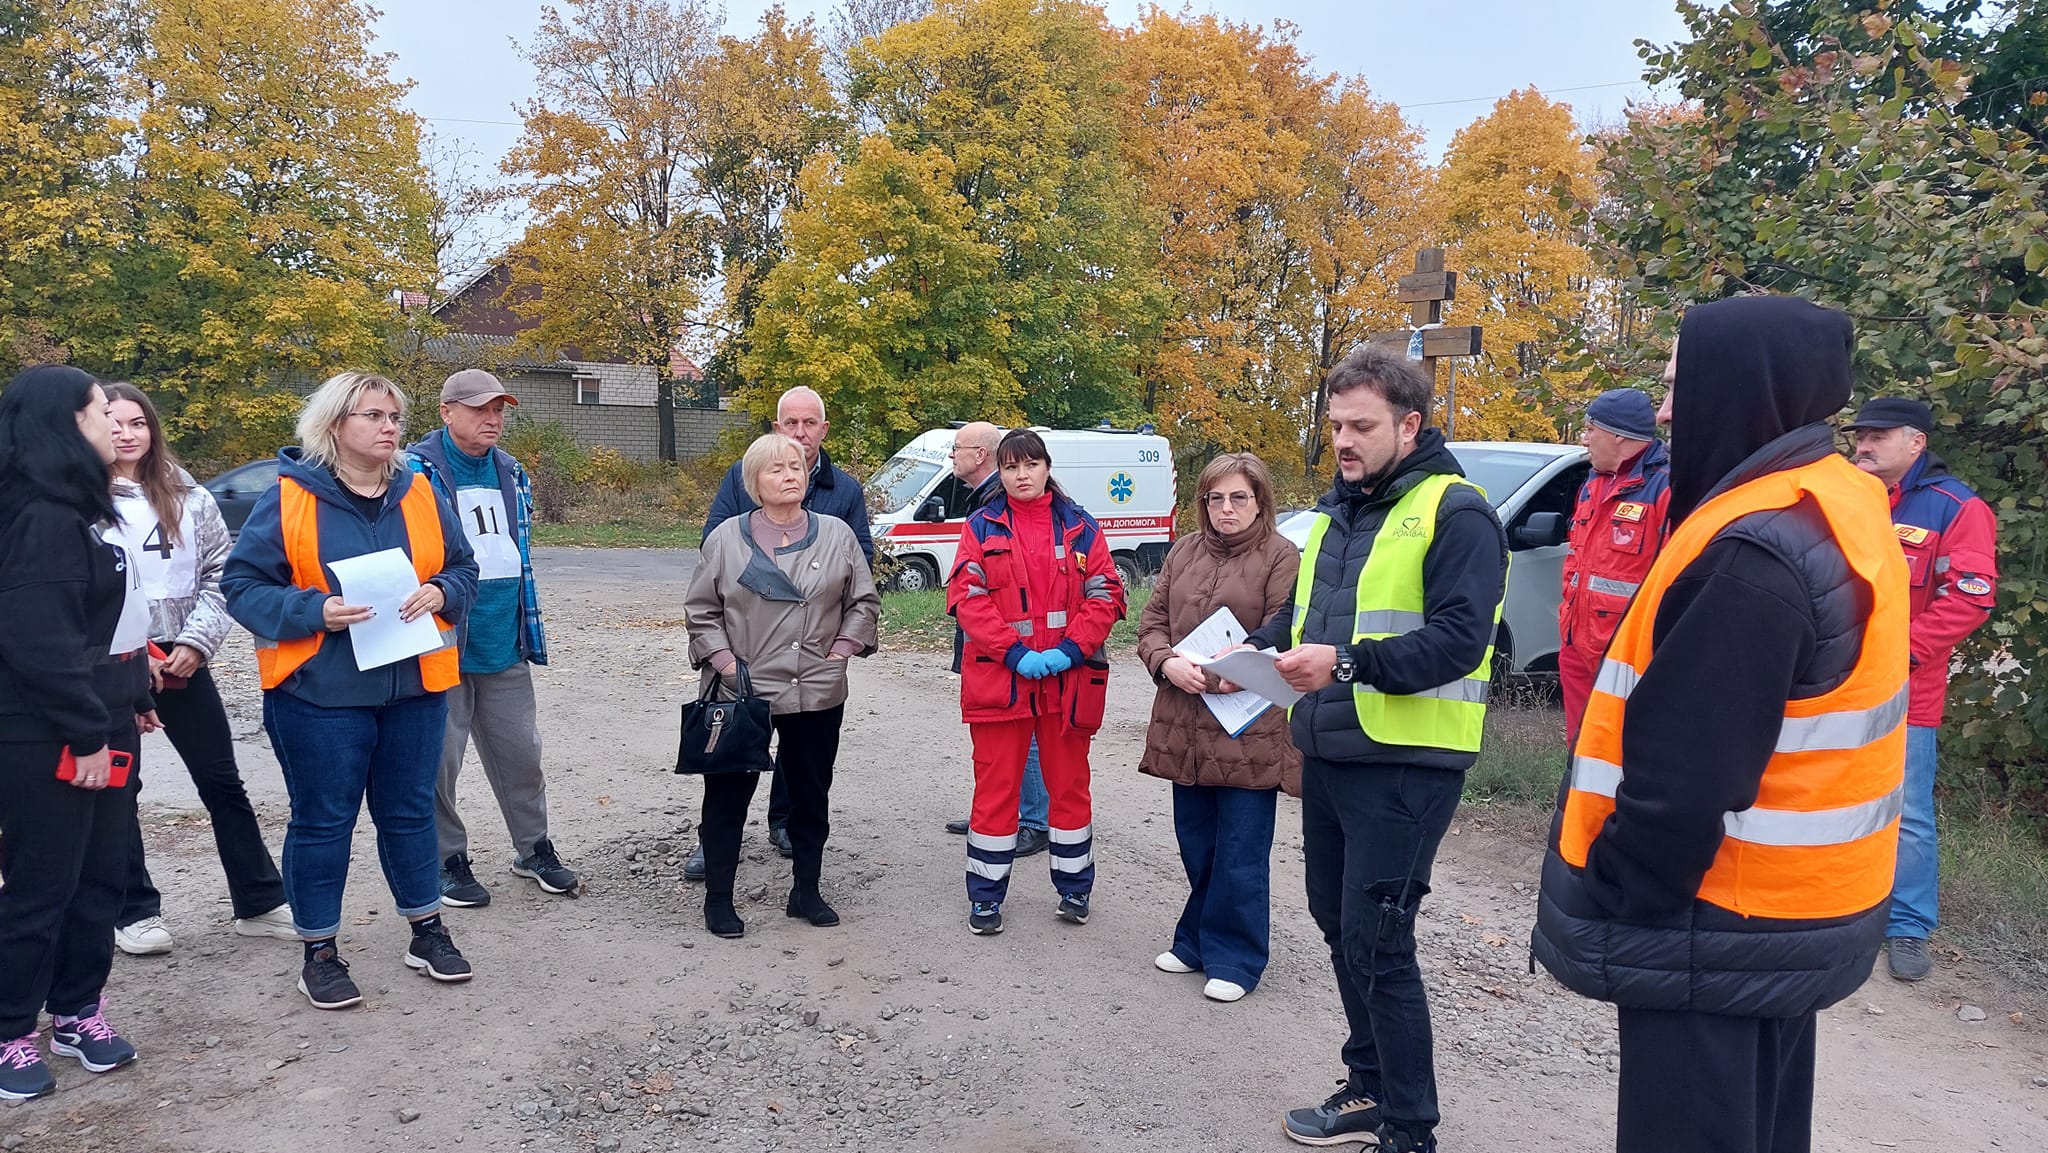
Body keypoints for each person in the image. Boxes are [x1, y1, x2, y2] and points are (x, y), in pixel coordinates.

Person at [1532, 296, 1909, 1153]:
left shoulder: (1754, 545)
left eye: (1677, 385)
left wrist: (1627, 887)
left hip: (1714, 915)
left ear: (1740, 386)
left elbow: (1688, 774)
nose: (1665, 411)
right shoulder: (1836, 501)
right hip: (1794, 911)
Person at [1240, 345, 1508, 1153]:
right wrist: (1239, 655)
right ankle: (1369, 1087)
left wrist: (1349, 664)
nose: (1344, 440)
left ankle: (1410, 1127)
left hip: (1407, 763)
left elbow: (1463, 640)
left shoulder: (1456, 511)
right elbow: (1303, 625)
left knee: (1379, 940)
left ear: (1410, 424)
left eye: (1361, 425)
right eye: (1334, 425)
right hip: (1330, 751)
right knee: (1338, 922)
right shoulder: (1338, 510)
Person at [223, 371, 479, 1011]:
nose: (390, 427)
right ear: (335, 424)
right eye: (374, 415)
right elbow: (243, 587)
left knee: (410, 811)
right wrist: (316, 611)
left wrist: (443, 592)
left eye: (394, 416)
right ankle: (320, 952)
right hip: (318, 693)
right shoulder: (288, 497)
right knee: (323, 820)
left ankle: (426, 930)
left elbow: (464, 567)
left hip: (415, 685)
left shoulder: (420, 489)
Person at [99, 383, 295, 955]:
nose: (127, 434)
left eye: (137, 423)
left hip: (183, 656)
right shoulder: (79, 500)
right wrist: (132, 659)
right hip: (117, 664)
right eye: (114, 423)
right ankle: (133, 910)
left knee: (221, 780)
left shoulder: (191, 496)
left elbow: (221, 574)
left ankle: (258, 901)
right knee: (120, 788)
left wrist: (196, 642)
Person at [0, 367, 141, 1099]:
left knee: (99, 878)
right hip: (45, 735)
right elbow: (38, 642)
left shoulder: (86, 507)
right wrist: (87, 731)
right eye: (97, 411)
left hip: (106, 719)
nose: (112, 422)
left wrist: (132, 692)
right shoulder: (40, 518)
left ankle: (76, 1010)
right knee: (41, 886)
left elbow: (102, 623)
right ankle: (9, 1029)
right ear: (62, 425)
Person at [682, 433, 879, 938]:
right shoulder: (726, 538)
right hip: (742, 688)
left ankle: (806, 890)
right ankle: (719, 899)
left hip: (816, 687)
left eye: (795, 466)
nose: (790, 474)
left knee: (811, 794)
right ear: (754, 482)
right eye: (776, 469)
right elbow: (702, 611)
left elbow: (863, 602)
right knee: (728, 795)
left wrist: (841, 652)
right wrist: (726, 665)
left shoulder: (837, 534)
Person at [408, 369, 578, 909]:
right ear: (446, 411)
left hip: (504, 637)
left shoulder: (512, 470)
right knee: (440, 758)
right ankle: (445, 860)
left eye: (499, 409)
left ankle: (533, 848)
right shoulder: (413, 471)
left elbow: (515, 554)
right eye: (481, 408)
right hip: (441, 639)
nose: (493, 419)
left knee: (520, 752)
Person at [1136, 452, 1300, 1004]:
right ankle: (1197, 942)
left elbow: (1289, 624)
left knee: (1241, 847)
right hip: (1185, 715)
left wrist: (1244, 661)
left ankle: (1237, 956)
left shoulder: (1282, 556)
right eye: (1215, 499)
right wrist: (1166, 662)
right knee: (1197, 841)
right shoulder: (1183, 550)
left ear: (1260, 502)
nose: (1226, 509)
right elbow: (1152, 621)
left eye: (1238, 498)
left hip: (1246, 720)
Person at [1844, 396, 1998, 982]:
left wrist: (1901, 653)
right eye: (1861, 433)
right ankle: (1837, 906)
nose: (1864, 444)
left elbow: (1969, 597)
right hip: (1827, 682)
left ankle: (1907, 926)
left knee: (1905, 811)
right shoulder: (1844, 496)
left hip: (1907, 689)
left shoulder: (1955, 507)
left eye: (1879, 436)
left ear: (1917, 442)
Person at [948, 429, 1126, 936]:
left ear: (1047, 467)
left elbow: (1107, 593)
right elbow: (967, 598)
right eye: (1010, 467)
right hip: (1003, 683)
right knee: (996, 792)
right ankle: (985, 899)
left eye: (1030, 465)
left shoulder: (1080, 527)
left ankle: (1075, 889)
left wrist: (1072, 648)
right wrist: (1016, 652)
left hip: (1066, 684)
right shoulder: (981, 526)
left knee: (1069, 789)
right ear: (998, 473)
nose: (1021, 475)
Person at [940, 420, 1050, 859]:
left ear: (981, 454)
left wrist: (1015, 647)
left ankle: (1032, 819)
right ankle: (996, 810)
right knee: (990, 732)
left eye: (958, 448)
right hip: (988, 642)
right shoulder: (981, 499)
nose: (953, 455)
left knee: (1024, 732)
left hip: (1015, 648)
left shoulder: (997, 501)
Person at [1558, 387, 1671, 741]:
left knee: (1623, 749)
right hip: (1577, 645)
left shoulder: (1665, 487)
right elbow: (1578, 560)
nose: (1585, 438)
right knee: (1580, 750)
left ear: (1618, 436)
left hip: (1628, 652)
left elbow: (1675, 576)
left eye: (1591, 429)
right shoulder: (1592, 484)